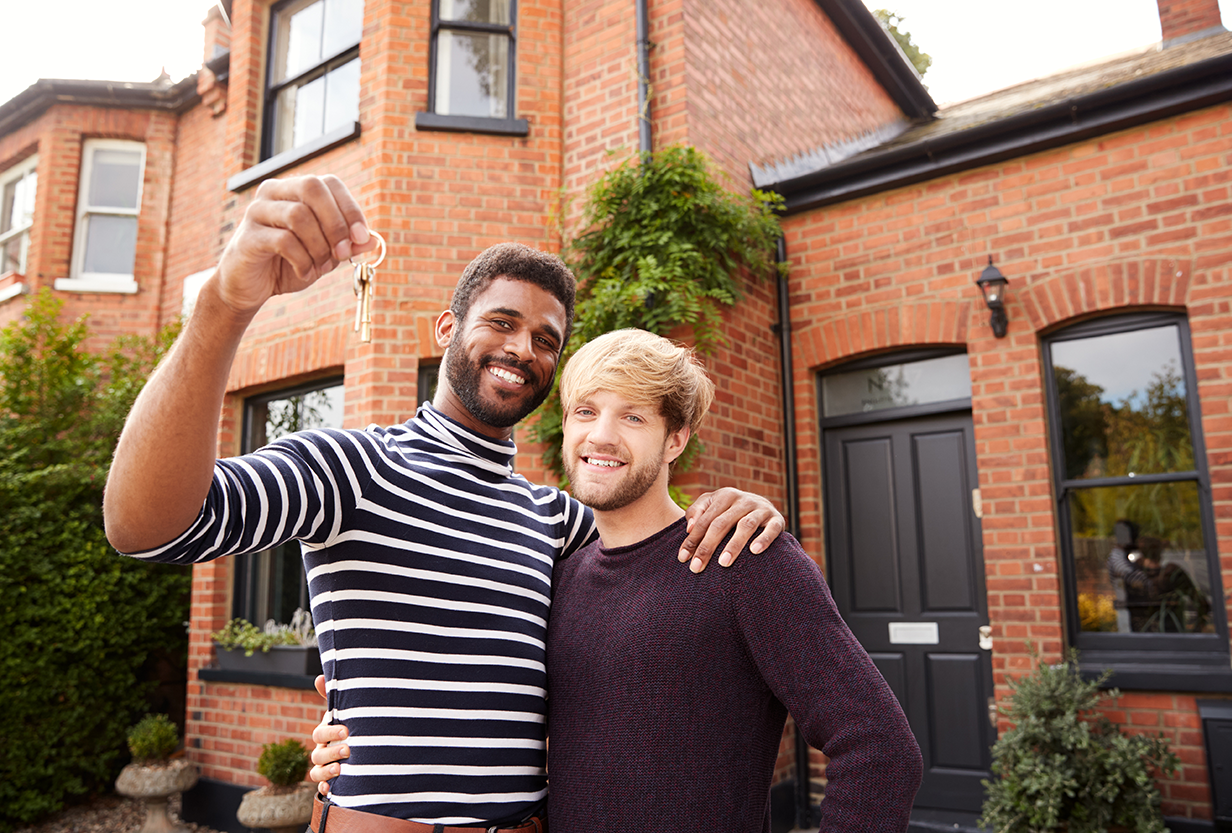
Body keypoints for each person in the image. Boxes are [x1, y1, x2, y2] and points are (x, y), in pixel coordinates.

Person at [103, 176, 784, 832]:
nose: (523, 347)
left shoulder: (563, 523)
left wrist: (737, 509)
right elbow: (145, 526)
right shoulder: (352, 469)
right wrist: (225, 302)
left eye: (546, 339)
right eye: (502, 322)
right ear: (445, 330)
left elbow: (670, 574)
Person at [313, 329, 924, 831]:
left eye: (632, 416)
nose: (600, 435)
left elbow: (879, 750)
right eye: (585, 411)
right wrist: (351, 728)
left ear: (675, 439)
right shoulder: (564, 573)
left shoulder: (744, 560)